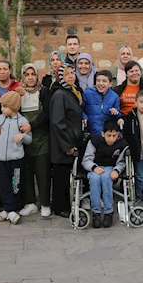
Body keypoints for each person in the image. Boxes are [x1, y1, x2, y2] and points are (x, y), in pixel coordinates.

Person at [0, 90, 33, 225]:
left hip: (16, 159)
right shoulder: (0, 119)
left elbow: (29, 139)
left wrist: (22, 136)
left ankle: (12, 209)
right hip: (1, 159)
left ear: (13, 107)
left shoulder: (22, 121)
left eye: (4, 106)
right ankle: (9, 210)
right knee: (3, 184)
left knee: (15, 184)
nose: (2, 109)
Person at [49, 64, 84, 218]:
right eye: (67, 74)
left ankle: (65, 204)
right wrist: (67, 145)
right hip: (62, 145)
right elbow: (58, 122)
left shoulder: (71, 92)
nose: (71, 76)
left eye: (72, 73)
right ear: (60, 77)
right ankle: (59, 207)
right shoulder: (59, 94)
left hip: (70, 140)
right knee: (61, 177)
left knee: (65, 176)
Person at [82, 120, 129, 228]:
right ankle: (96, 213)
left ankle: (108, 212)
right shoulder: (94, 141)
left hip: (111, 168)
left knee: (106, 177)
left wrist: (117, 170)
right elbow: (86, 160)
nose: (111, 139)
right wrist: (94, 168)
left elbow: (122, 162)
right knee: (94, 179)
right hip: (95, 167)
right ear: (103, 134)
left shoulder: (122, 144)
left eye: (114, 136)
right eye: (109, 135)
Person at [19, 64, 52, 217]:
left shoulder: (44, 92)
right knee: (27, 172)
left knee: (42, 172)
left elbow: (46, 114)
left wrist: (31, 125)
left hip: (41, 138)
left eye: (33, 74)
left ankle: (45, 203)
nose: (30, 77)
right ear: (23, 77)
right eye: (27, 74)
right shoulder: (18, 93)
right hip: (23, 139)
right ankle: (30, 203)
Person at [82, 70, 120, 137]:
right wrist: (84, 117)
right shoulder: (87, 93)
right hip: (91, 131)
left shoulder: (115, 97)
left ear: (110, 84)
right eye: (98, 80)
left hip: (107, 134)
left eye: (104, 81)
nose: (100, 83)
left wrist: (115, 112)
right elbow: (80, 109)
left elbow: (118, 114)